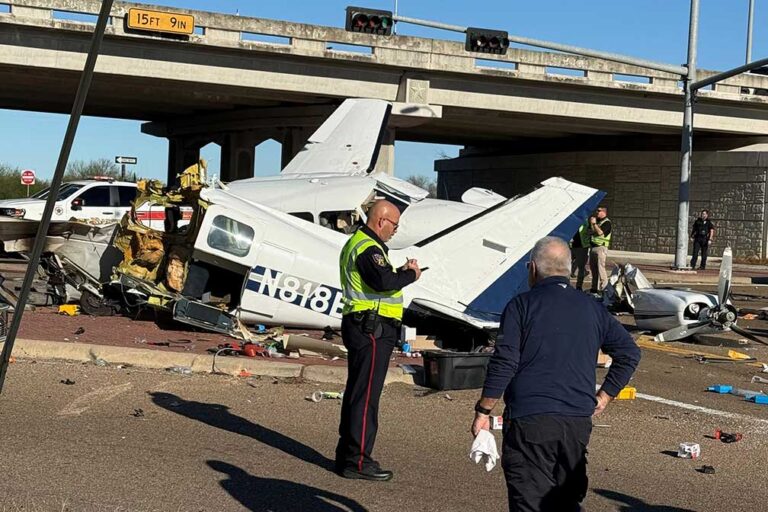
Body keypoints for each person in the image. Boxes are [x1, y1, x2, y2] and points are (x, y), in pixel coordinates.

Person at [471, 236, 640, 512]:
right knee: (565, 501)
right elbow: (629, 353)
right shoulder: (592, 308)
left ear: (533, 269)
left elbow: (505, 361)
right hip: (576, 422)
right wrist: (605, 396)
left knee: (530, 500)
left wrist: (484, 410)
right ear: (569, 269)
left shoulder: (521, 306)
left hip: (531, 419)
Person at [335, 200, 421, 481]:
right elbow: (383, 282)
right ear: (381, 221)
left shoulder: (359, 244)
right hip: (372, 328)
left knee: (358, 393)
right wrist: (410, 274)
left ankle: (347, 455)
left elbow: (378, 279)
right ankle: (358, 461)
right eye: (394, 225)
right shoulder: (368, 248)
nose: (395, 231)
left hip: (363, 325)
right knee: (366, 397)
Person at [588, 207, 612, 294]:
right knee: (593, 269)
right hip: (593, 247)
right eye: (596, 210)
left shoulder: (607, 223)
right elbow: (591, 232)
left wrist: (594, 224)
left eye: (599, 211)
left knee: (601, 269)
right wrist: (592, 225)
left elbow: (600, 233)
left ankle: (604, 289)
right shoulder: (599, 221)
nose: (596, 212)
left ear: (604, 212)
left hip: (601, 248)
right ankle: (594, 289)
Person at [570, 219, 591, 291]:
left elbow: (589, 232)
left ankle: (579, 286)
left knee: (581, 267)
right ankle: (566, 284)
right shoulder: (572, 221)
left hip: (582, 247)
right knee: (567, 265)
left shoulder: (585, 222)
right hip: (572, 246)